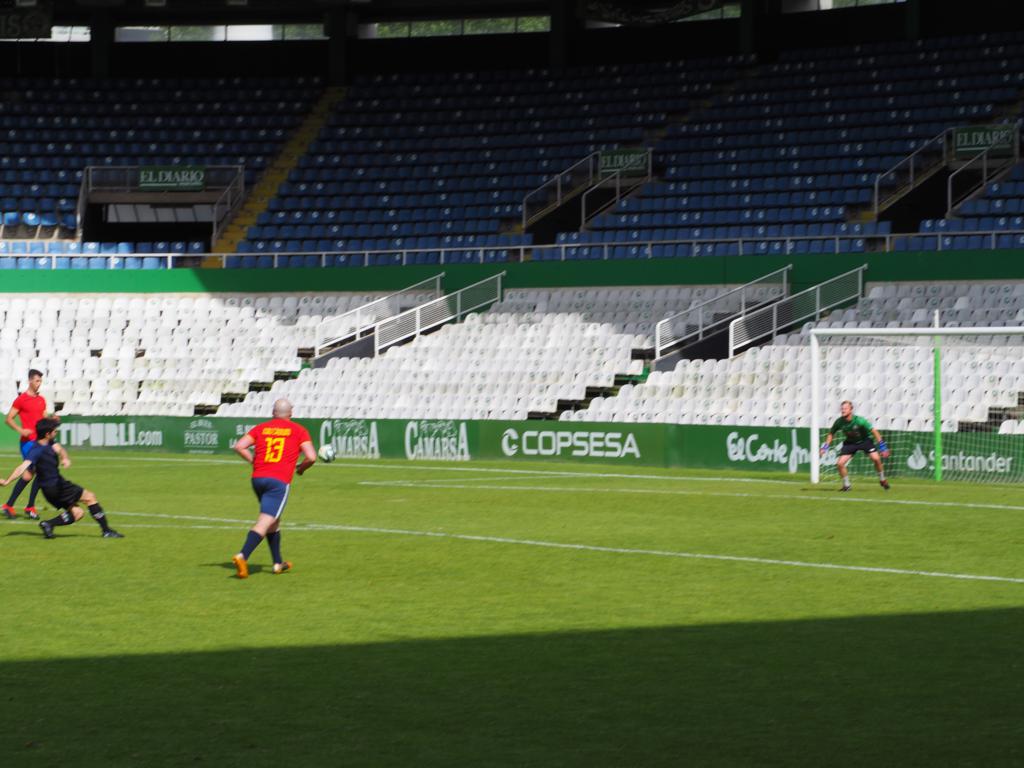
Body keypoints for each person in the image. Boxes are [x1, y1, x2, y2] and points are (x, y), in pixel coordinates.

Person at [230, 398, 316, 579]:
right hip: (278, 481)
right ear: (290, 413)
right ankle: (242, 555)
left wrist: (253, 461)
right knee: (265, 521)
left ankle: (277, 563)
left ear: (273, 413)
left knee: (273, 520)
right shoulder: (298, 430)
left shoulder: (261, 428)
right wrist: (301, 469)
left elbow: (239, 446)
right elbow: (311, 457)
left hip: (258, 479)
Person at [0, 418, 123, 539]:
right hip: (57, 486)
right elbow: (22, 467)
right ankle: (106, 531)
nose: (56, 432)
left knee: (77, 513)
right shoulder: (36, 450)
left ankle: (48, 524)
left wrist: (65, 458)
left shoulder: (49, 442)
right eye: (54, 431)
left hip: (50, 490)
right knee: (90, 497)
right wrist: (7, 481)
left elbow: (60, 449)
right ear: (47, 434)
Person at [3, 369, 63, 520]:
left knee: (30, 475)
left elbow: (44, 419)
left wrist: (52, 420)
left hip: (40, 441)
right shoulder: (21, 400)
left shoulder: (41, 399)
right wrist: (21, 430)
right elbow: (8, 419)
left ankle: (11, 505)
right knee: (39, 471)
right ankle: (28, 507)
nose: (39, 383)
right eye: (37, 381)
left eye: (40, 381)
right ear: (30, 380)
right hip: (28, 442)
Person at [820, 400, 890, 492]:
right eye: (842, 409)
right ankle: (846, 485)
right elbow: (831, 433)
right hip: (850, 443)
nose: (843, 410)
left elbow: (874, 431)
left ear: (851, 410)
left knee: (876, 459)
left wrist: (882, 447)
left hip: (865, 441)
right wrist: (825, 447)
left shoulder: (860, 421)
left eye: (845, 408)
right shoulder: (839, 422)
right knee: (840, 464)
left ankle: (882, 479)